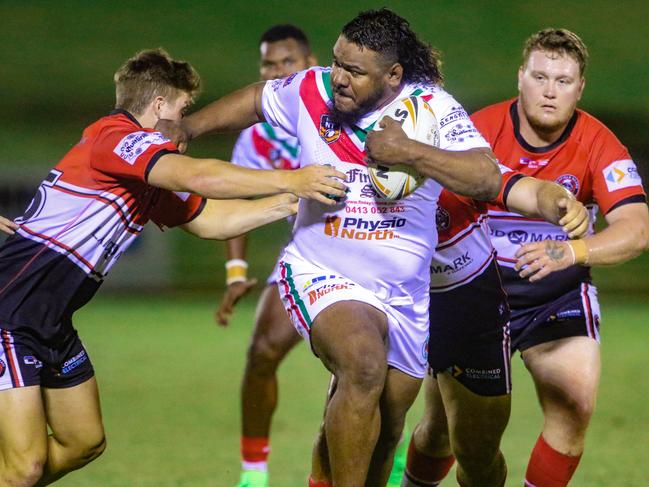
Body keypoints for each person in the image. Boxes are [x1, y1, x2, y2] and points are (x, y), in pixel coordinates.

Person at [156, 8, 506, 486]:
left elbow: (486, 177)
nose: (338, 78)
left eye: (355, 71)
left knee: (387, 426)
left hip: (404, 294)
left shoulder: (432, 111)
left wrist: (409, 153)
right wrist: (189, 129)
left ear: (393, 75)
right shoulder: (313, 89)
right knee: (362, 367)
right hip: (320, 271)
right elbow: (258, 100)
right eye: (339, 62)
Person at [0, 48, 347, 487]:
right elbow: (196, 176)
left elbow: (211, 221)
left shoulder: (144, 176)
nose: (186, 124)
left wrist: (293, 201)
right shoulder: (113, 135)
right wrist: (290, 177)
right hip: (10, 309)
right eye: (183, 109)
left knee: (82, 442)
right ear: (159, 105)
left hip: (50, 321)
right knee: (24, 467)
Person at [402, 28, 649, 487]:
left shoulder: (600, 143)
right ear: (520, 78)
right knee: (443, 434)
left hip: (553, 299)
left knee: (575, 403)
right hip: (475, 296)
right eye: (540, 77)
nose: (550, 91)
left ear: (580, 88)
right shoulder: (475, 132)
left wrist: (573, 251)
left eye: (563, 80)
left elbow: (638, 229)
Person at [212, 24, 316, 487]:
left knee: (386, 372)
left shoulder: (338, 110)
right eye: (268, 65)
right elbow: (236, 203)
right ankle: (253, 476)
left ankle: (392, 466)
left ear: (310, 65)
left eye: (286, 62)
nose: (277, 72)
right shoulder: (256, 137)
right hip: (308, 251)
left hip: (373, 249)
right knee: (261, 351)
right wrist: (236, 272)